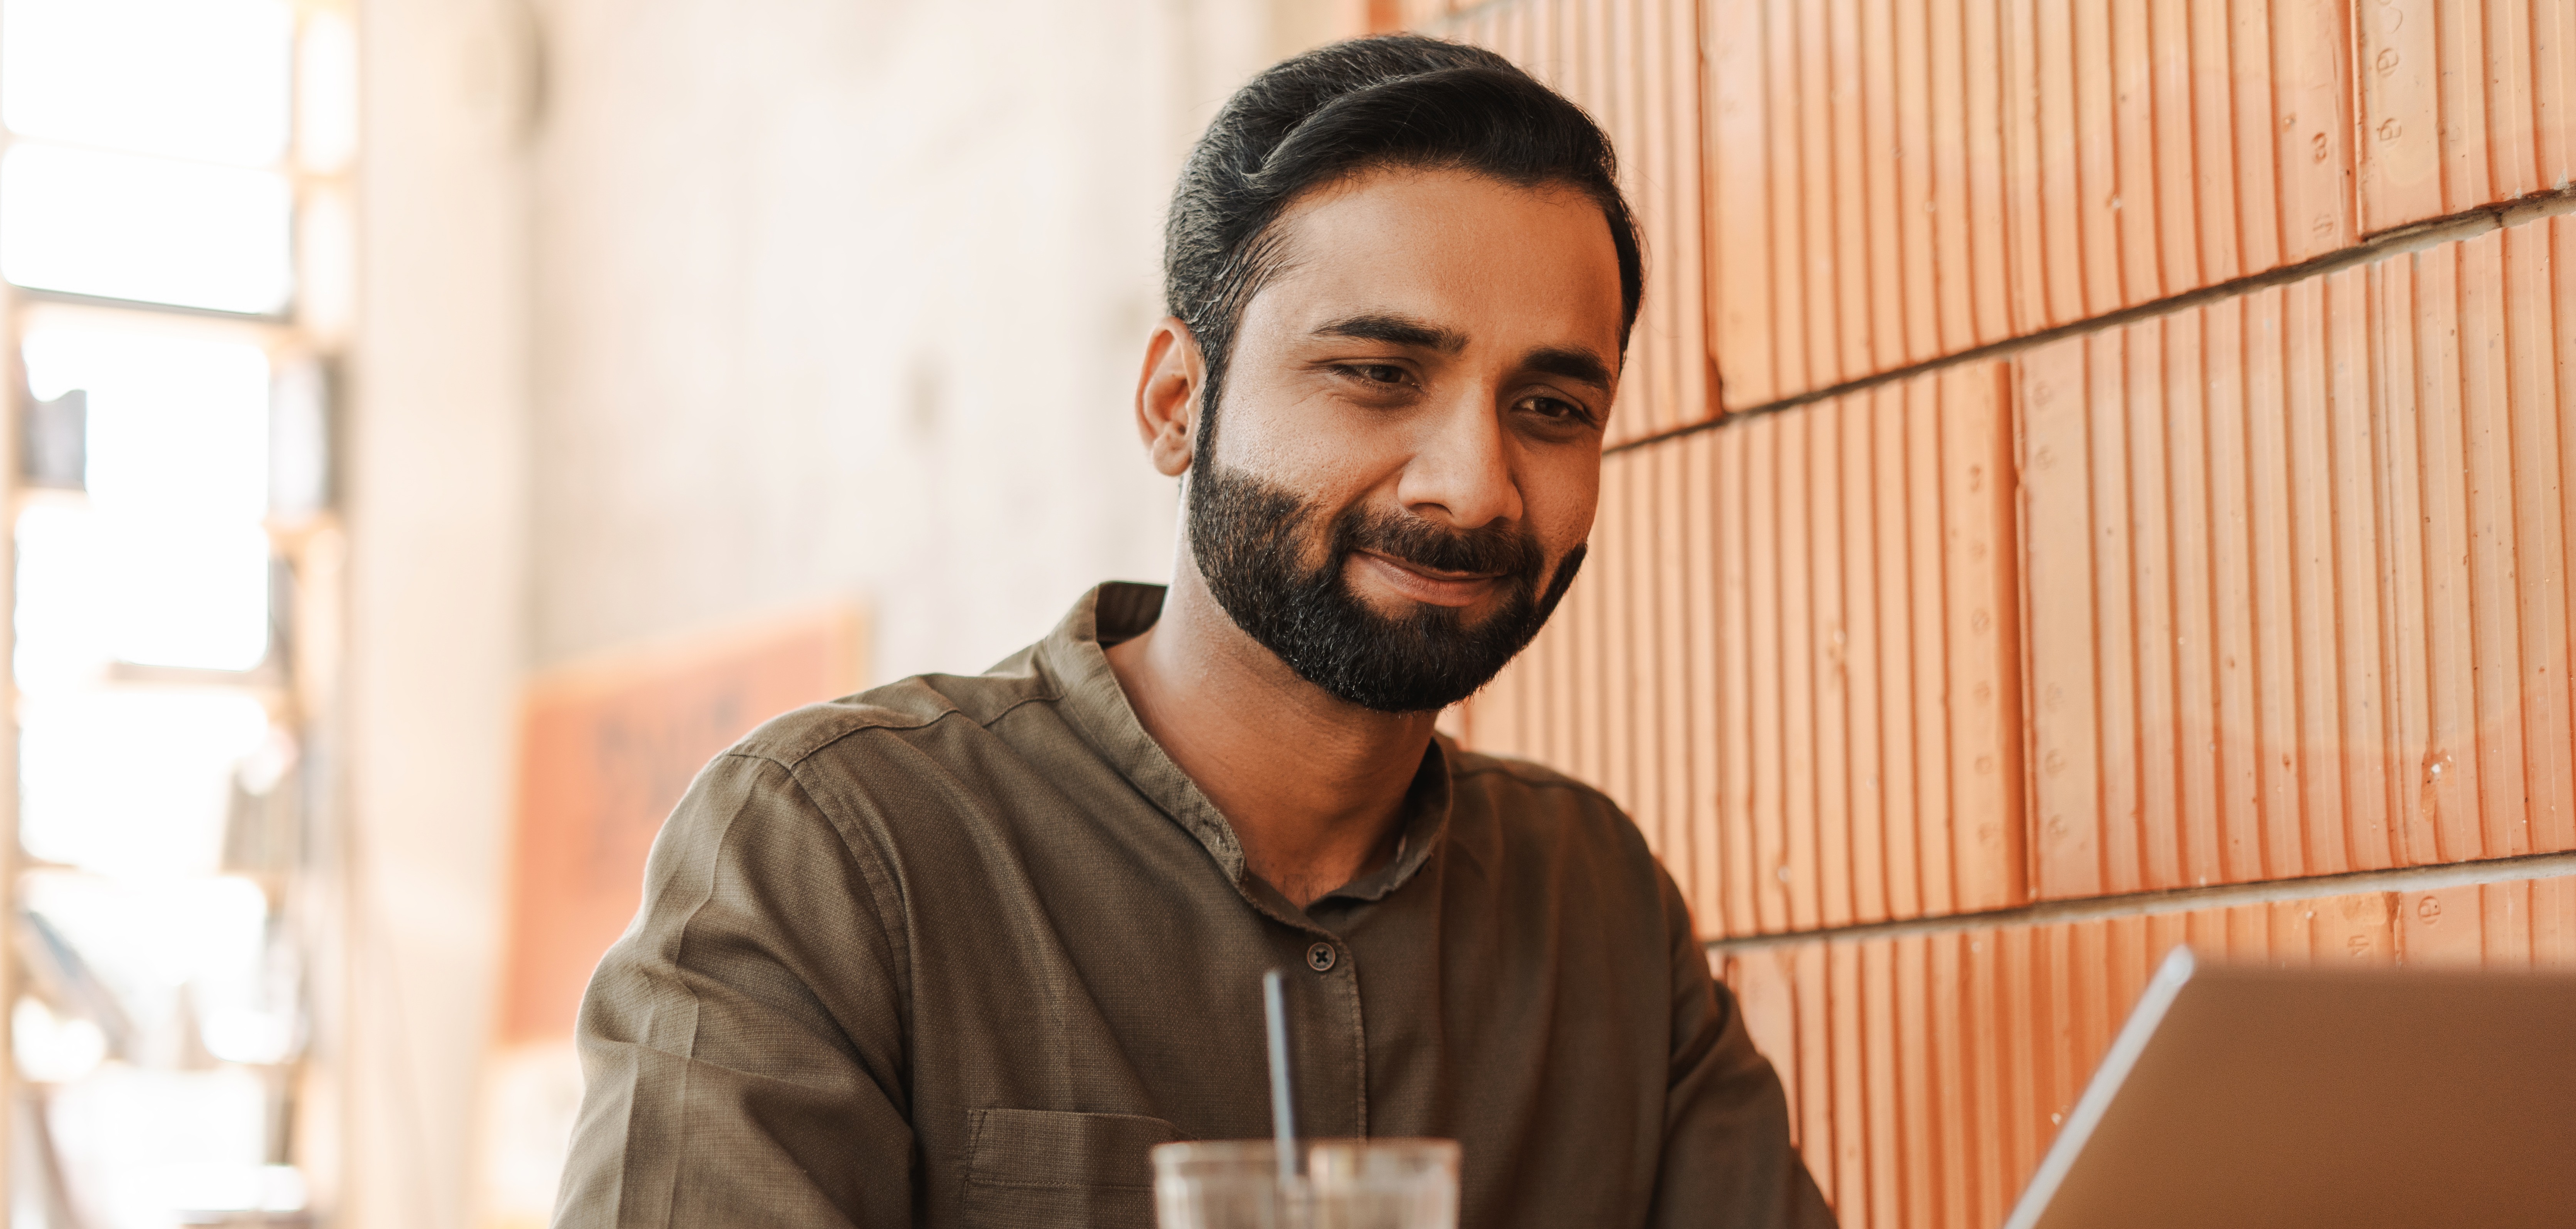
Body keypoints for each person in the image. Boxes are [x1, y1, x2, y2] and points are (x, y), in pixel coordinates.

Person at [553, 34, 1834, 1229]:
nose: (1474, 484)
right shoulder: (835, 849)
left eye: (1551, 406)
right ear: (1177, 402)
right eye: (1380, 375)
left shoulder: (1596, 902)